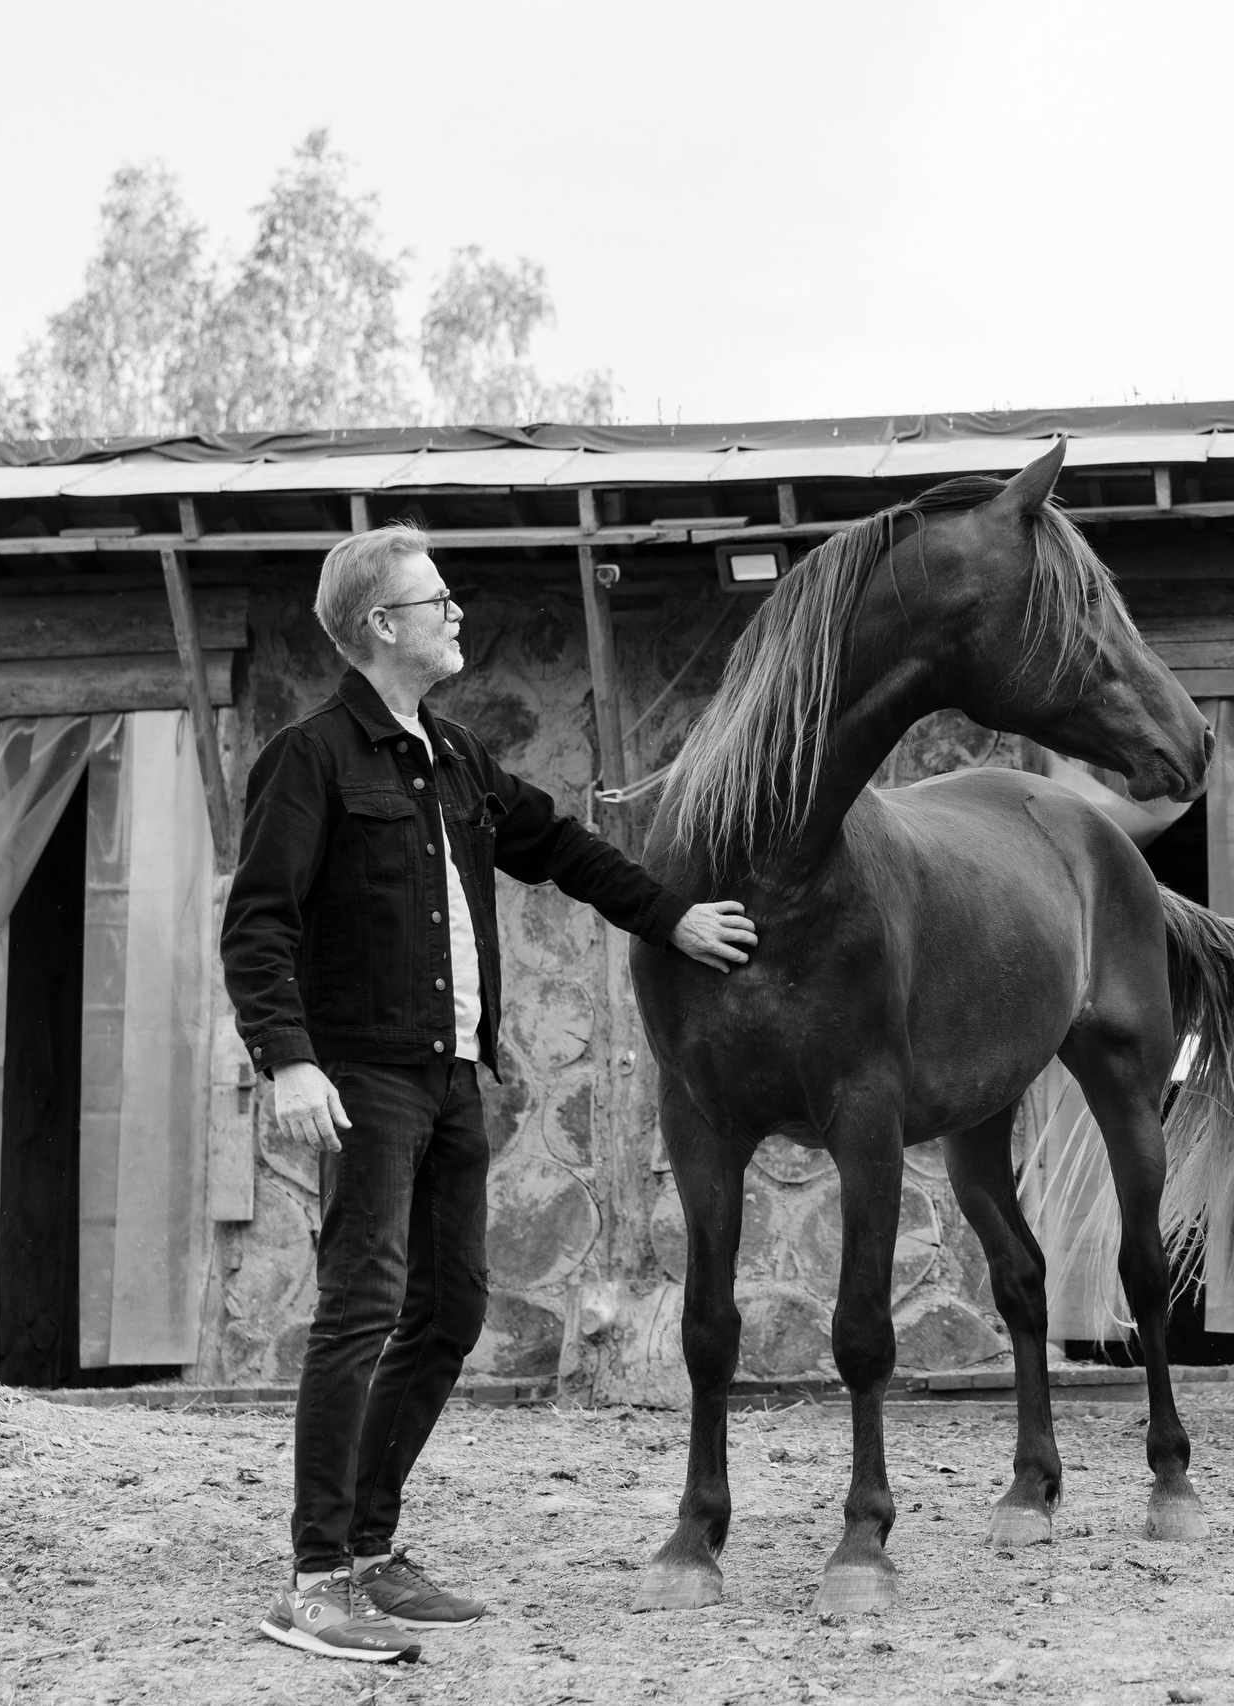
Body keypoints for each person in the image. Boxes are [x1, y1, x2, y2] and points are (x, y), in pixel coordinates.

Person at [223, 524, 759, 1663]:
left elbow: (560, 845)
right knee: (360, 1310)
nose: (457, 614)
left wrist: (670, 916)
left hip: (453, 1073)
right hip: (361, 1074)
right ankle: (315, 1578)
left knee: (449, 1310)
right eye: (439, 600)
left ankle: (368, 1551)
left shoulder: (455, 757)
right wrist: (289, 1057)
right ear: (381, 625)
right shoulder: (310, 757)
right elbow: (257, 920)